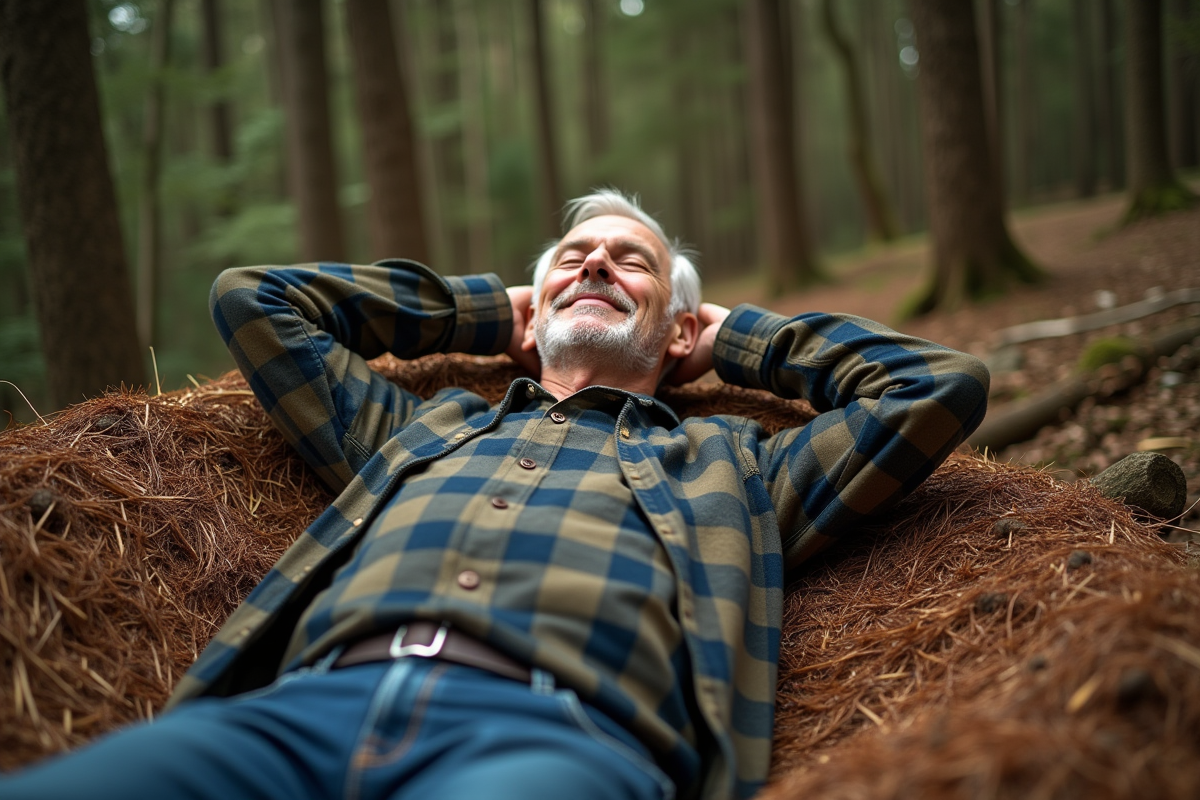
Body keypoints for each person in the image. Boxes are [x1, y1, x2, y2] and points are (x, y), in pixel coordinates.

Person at [2, 189, 989, 800]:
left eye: (629, 259)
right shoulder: (418, 430)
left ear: (678, 331)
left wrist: (734, 336)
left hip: (552, 739)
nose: (595, 260)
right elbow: (254, 301)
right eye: (572, 257)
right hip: (298, 716)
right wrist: (482, 308)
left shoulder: (738, 470)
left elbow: (936, 385)